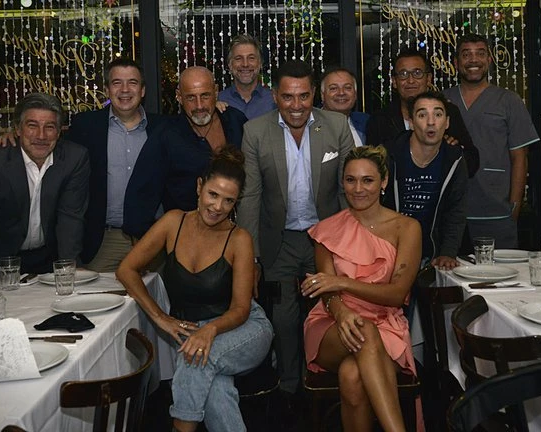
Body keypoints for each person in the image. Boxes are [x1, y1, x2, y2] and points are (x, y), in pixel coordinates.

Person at [116, 148, 273, 432]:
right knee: (215, 388)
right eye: (213, 194)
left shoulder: (239, 239)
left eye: (228, 200)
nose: (218, 207)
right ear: (199, 186)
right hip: (193, 331)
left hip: (244, 329)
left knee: (197, 357)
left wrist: (210, 330)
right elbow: (126, 269)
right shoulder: (172, 222)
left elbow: (241, 309)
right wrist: (160, 317)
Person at [238, 59, 355, 398]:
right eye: (288, 97)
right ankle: (289, 387)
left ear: (314, 93)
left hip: (326, 238)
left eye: (304, 96)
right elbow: (250, 197)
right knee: (283, 316)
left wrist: (349, 244)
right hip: (279, 242)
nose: (296, 105)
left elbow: (349, 189)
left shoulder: (336, 126)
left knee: (332, 308)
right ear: (275, 95)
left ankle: (326, 381)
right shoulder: (255, 131)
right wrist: (252, 257)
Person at [0, 58, 164, 272]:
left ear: (143, 90)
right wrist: (15, 138)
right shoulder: (85, 125)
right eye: (116, 83)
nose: (124, 90)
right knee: (96, 292)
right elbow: (49, 146)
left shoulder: (163, 127)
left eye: (132, 82)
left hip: (154, 238)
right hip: (103, 241)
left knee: (158, 291)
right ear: (107, 90)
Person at [301, 145, 423, 432]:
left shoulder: (407, 228)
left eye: (367, 180)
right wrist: (342, 313)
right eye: (350, 180)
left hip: (386, 324)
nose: (358, 189)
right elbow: (327, 293)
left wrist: (343, 282)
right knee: (362, 330)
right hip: (331, 324)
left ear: (383, 181)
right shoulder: (327, 230)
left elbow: (396, 294)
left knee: (352, 374)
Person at [0, 92, 90, 285]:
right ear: (18, 129)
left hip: (50, 258)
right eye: (32, 126)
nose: (41, 136)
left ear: (59, 132)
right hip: (2, 260)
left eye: (49, 127)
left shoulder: (74, 159)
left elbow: (70, 218)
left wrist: (70, 266)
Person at [443, 34, 539, 248]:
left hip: (496, 211)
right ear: (456, 63)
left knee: (499, 268)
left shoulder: (508, 101)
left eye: (480, 54)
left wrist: (514, 206)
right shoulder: (443, 101)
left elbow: (519, 157)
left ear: (489, 60)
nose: (473, 60)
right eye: (466, 54)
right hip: (450, 213)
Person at [125, 66, 248, 231]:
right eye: (191, 98)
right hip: (186, 236)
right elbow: (142, 194)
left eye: (205, 96)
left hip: (235, 232)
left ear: (216, 91)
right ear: (179, 97)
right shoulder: (166, 136)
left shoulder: (236, 121)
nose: (199, 105)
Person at [382, 91, 468, 270]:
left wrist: (448, 252)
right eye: (422, 115)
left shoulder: (454, 159)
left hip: (431, 255)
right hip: (388, 252)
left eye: (438, 114)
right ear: (411, 123)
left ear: (447, 122)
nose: (431, 122)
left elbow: (456, 211)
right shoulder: (389, 155)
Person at [366, 48, 479, 177]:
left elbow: (472, 162)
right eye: (403, 74)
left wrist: (452, 150)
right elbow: (371, 167)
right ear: (394, 82)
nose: (410, 80)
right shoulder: (379, 119)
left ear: (428, 79)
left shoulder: (448, 111)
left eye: (417, 73)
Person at [217, 34, 276, 120]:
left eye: (251, 58)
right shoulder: (218, 100)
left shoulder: (274, 101)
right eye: (238, 58)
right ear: (230, 65)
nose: (245, 64)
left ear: (260, 63)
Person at [320, 67, 369, 146]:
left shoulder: (366, 123)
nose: (341, 93)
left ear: (355, 94)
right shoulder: (309, 125)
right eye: (333, 88)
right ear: (322, 95)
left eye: (347, 88)